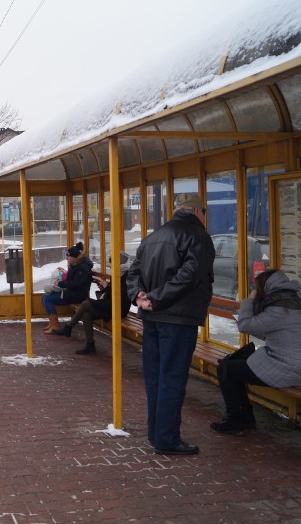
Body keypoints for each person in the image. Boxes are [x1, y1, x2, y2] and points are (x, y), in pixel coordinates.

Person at [126, 193, 215, 455]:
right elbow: (190, 276)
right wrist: (154, 299)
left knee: (155, 377)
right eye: (205, 213)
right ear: (198, 211)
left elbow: (132, 272)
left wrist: (139, 296)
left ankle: (156, 433)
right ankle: (167, 438)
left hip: (152, 318)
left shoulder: (154, 236)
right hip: (177, 318)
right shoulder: (198, 236)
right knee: (172, 379)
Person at [210, 269, 301, 436]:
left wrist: (250, 300)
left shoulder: (279, 310)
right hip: (288, 363)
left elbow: (245, 326)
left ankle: (236, 420)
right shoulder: (289, 303)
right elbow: (266, 330)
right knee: (234, 363)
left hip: (285, 368)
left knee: (226, 369)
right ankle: (246, 418)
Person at [53, 252, 132, 355]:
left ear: (119, 262)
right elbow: (114, 292)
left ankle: (68, 328)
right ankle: (90, 345)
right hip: (112, 303)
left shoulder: (126, 275)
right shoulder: (120, 272)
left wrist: (107, 287)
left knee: (86, 303)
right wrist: (106, 287)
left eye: (113, 263)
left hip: (120, 307)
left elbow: (120, 294)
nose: (111, 266)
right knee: (87, 315)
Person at [41, 242, 93, 334]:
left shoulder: (83, 268)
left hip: (77, 295)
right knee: (45, 296)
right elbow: (71, 280)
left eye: (68, 257)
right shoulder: (76, 265)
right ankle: (52, 323)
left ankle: (55, 325)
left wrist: (61, 284)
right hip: (72, 292)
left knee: (48, 299)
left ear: (73, 257)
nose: (66, 258)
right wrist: (61, 279)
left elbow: (76, 284)